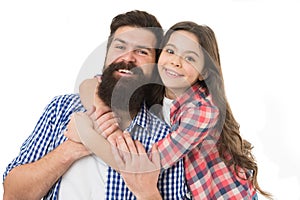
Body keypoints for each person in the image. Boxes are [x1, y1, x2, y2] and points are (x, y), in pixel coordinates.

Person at [2, 10, 188, 200]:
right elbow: (12, 194)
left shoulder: (164, 139)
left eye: (142, 51)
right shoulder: (60, 110)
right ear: (107, 55)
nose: (128, 57)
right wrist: (73, 147)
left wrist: (147, 191)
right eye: (120, 46)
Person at [81, 21, 272, 199]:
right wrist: (99, 107)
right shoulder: (153, 84)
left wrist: (88, 135)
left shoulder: (202, 111)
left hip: (224, 194)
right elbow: (92, 83)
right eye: (170, 51)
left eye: (189, 57)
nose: (176, 62)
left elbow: (148, 165)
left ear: (203, 72)